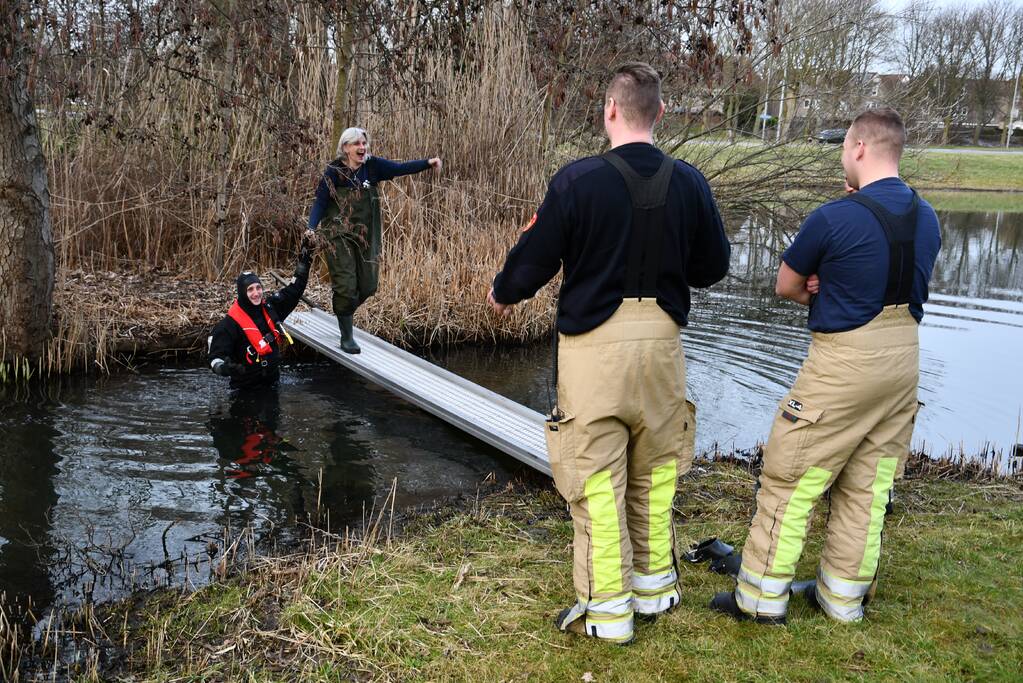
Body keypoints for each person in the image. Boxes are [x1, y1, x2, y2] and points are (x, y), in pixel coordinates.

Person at [487, 62, 730, 644]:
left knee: (597, 479)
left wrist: (503, 291)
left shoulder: (577, 182)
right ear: (661, 114)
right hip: (664, 348)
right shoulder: (691, 182)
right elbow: (714, 266)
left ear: (610, 111)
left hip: (595, 350)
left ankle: (610, 611)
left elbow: (534, 259)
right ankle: (656, 586)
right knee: (656, 469)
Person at [710, 108, 941, 625]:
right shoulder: (927, 217)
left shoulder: (834, 216)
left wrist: (821, 288)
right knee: (869, 483)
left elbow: (787, 285)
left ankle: (760, 599)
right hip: (904, 363)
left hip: (844, 365)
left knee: (792, 477)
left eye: (844, 148)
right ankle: (842, 600)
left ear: (858, 148)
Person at [306, 127, 442, 354]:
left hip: (366, 236)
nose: (362, 148)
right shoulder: (334, 171)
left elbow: (400, 169)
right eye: (357, 144)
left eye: (364, 143)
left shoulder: (373, 166)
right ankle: (346, 337)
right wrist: (311, 227)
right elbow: (321, 201)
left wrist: (428, 162)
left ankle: (343, 310)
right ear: (345, 147)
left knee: (369, 286)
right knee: (346, 287)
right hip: (338, 235)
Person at [209, 243, 313, 391]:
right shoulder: (229, 325)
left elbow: (294, 290)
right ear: (242, 293)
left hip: (272, 385)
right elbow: (214, 358)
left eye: (258, 287)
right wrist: (225, 369)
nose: (256, 293)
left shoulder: (272, 308)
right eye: (250, 289)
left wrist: (304, 262)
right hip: (245, 391)